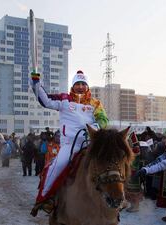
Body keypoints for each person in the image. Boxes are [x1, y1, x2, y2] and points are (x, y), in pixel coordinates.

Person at [30, 70, 108, 216]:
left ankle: (115, 198)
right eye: (77, 84)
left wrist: (95, 127)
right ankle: (44, 198)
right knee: (58, 165)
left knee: (109, 164)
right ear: (73, 85)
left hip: (89, 144)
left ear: (87, 86)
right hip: (70, 145)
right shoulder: (64, 99)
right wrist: (36, 84)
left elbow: (103, 119)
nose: (80, 87)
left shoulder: (95, 103)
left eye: (83, 84)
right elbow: (45, 100)